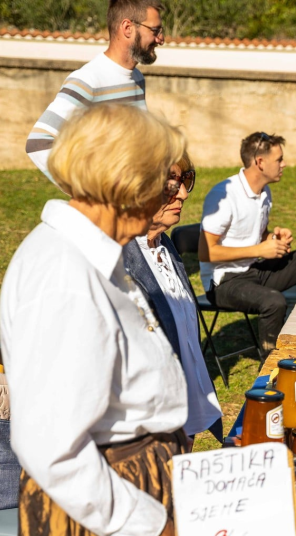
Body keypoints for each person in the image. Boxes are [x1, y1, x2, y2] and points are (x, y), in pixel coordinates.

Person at [0, 104, 187, 536]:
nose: (169, 192)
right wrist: (146, 529)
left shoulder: (99, 256)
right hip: (104, 518)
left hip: (129, 493)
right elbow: (52, 448)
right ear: (128, 181)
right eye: (162, 179)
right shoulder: (65, 276)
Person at [123, 150, 224, 448]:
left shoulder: (164, 246)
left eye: (186, 180)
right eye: (171, 183)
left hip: (183, 416)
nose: (183, 194)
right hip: (146, 431)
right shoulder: (118, 259)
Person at [199, 132, 296, 353]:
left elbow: (258, 234)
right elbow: (206, 252)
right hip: (223, 281)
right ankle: (270, 366)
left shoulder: (264, 192)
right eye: (279, 159)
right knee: (273, 302)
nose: (284, 164)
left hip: (255, 270)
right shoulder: (224, 195)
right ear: (260, 162)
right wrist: (259, 249)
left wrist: (273, 239)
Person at [25, 0, 165, 181]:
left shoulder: (137, 78)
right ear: (127, 28)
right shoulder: (88, 80)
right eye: (155, 30)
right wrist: (88, 192)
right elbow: (38, 143)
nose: (161, 39)